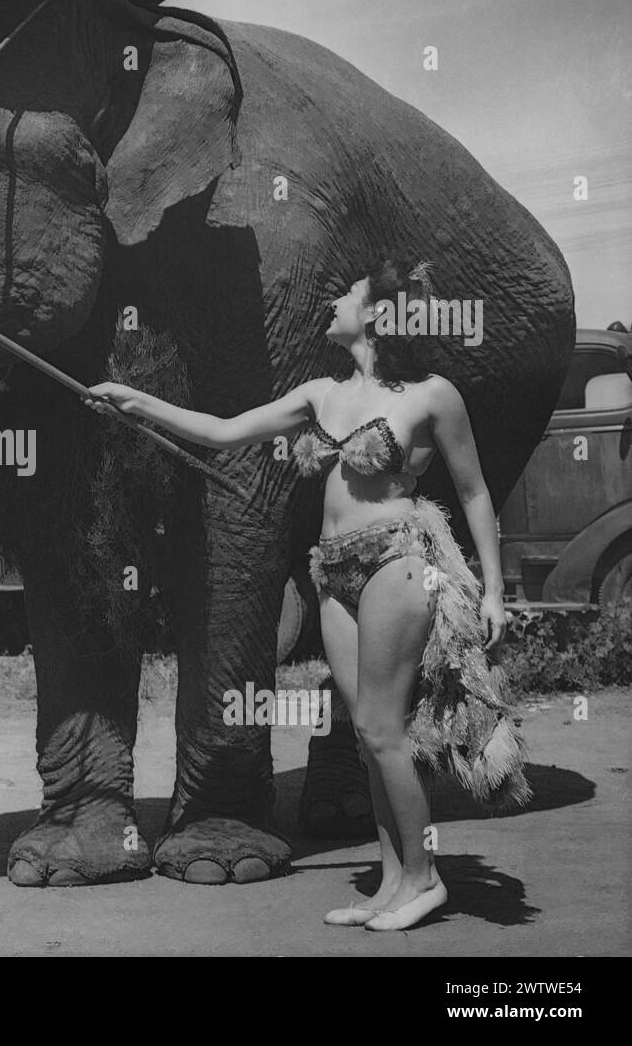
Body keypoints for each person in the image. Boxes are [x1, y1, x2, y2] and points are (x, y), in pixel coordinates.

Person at [85, 256, 529, 932]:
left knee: (384, 731)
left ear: (378, 313)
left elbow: (472, 491)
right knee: (363, 740)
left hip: (398, 563)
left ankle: (425, 877)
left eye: (342, 295)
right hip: (334, 570)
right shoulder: (320, 393)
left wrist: (493, 588)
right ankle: (391, 884)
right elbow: (226, 431)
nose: (330, 304)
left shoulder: (431, 395)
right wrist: (133, 400)